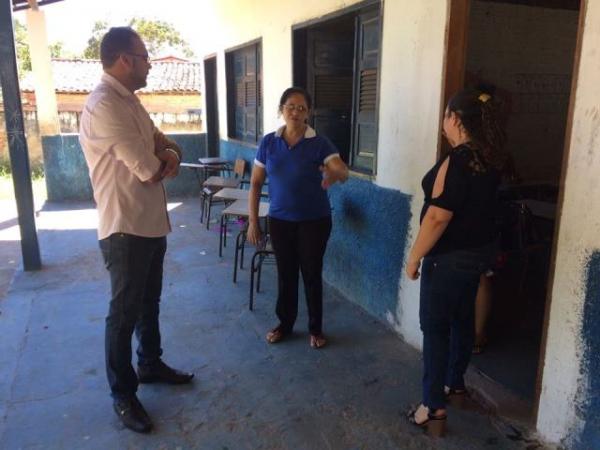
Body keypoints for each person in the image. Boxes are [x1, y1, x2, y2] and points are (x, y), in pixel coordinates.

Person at [79, 27, 193, 434]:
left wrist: (168, 152)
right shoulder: (104, 105)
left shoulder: (131, 102)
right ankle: (123, 394)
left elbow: (167, 145)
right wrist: (164, 157)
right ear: (125, 59)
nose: (149, 64)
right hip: (124, 228)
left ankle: (149, 363)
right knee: (123, 313)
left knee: (149, 302)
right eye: (145, 57)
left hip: (148, 224)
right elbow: (148, 171)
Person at [405, 88, 506, 435]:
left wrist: (414, 257)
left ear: (456, 120)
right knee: (461, 318)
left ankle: (432, 408)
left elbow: (437, 217)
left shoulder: (459, 159)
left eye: (446, 115)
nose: (443, 122)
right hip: (478, 256)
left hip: (448, 259)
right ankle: (454, 383)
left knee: (434, 329)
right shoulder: (490, 158)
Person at [246, 87, 349, 349]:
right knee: (286, 274)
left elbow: (340, 169)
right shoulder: (268, 142)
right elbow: (256, 184)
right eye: (290, 106)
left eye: (301, 108)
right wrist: (253, 221)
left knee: (312, 274)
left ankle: (316, 329)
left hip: (314, 222)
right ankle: (285, 324)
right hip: (280, 221)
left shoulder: (319, 143)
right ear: (281, 110)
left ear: (308, 113)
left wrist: (334, 172)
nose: (295, 112)